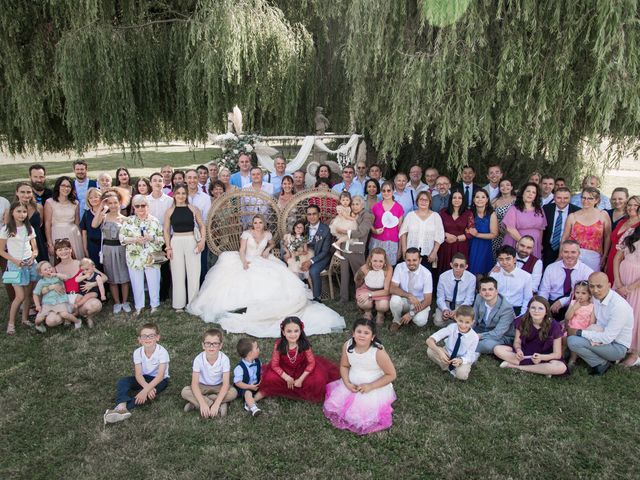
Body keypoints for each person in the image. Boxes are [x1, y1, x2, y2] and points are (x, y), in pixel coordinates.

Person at [188, 213, 345, 336]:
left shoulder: (268, 234)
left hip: (262, 259)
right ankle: (243, 305)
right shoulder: (246, 234)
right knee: (245, 279)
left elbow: (270, 243)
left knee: (276, 278)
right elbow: (242, 250)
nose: (257, 225)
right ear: (252, 224)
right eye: (255, 223)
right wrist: (243, 262)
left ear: (264, 224)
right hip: (246, 259)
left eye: (260, 223)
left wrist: (268, 249)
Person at [323, 318, 396, 435]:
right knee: (339, 404)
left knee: (362, 414)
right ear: (353, 333)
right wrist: (346, 382)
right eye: (359, 332)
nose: (362, 335)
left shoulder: (378, 351)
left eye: (366, 333)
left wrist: (370, 386)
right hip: (351, 382)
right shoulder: (347, 345)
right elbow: (344, 366)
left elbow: (391, 374)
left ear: (372, 337)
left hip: (374, 387)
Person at [258, 317, 340, 403]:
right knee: (270, 378)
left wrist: (301, 379)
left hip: (302, 369)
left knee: (317, 381)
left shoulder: (304, 344)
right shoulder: (279, 345)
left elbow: (311, 363)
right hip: (284, 368)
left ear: (300, 331)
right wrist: (286, 377)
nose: (293, 334)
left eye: (296, 331)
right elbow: (275, 365)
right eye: (289, 331)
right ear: (283, 332)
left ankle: (299, 389)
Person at [567, 272, 633, 375]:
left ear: (609, 285)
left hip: (616, 346)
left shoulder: (619, 306)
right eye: (592, 286)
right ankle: (602, 359)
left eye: (599, 286)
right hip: (599, 334)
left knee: (573, 341)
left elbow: (607, 338)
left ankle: (601, 364)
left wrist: (579, 332)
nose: (595, 290)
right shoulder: (597, 297)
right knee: (573, 339)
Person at [103, 323, 170, 424]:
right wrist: (146, 387)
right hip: (143, 378)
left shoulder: (162, 352)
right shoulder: (137, 352)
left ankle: (122, 410)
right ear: (139, 339)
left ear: (157, 337)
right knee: (123, 382)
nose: (147, 338)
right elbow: (138, 374)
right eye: (144, 336)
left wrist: (145, 391)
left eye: (151, 336)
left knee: (148, 395)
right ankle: (121, 405)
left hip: (160, 380)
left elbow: (160, 376)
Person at [494, 297, 567, 376]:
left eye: (540, 308)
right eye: (533, 308)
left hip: (544, 355)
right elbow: (517, 341)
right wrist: (518, 350)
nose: (536, 311)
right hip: (525, 353)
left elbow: (557, 354)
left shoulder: (554, 325)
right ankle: (541, 369)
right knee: (497, 349)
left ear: (546, 311)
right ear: (528, 309)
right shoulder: (522, 320)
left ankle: (515, 366)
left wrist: (541, 357)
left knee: (561, 367)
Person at [163, 184, 206, 312]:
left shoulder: (193, 209)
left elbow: (202, 226)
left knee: (194, 273)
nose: (181, 196)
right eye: (178, 193)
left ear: (186, 195)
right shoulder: (170, 211)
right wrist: (168, 247)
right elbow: (165, 230)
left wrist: (202, 241)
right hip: (176, 241)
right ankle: (178, 304)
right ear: (174, 195)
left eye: (183, 193)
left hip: (192, 240)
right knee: (177, 273)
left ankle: (193, 304)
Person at [119, 195, 165, 315]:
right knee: (136, 282)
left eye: (143, 205)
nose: (140, 208)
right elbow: (122, 238)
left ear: (147, 206)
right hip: (135, 257)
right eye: (137, 206)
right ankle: (139, 306)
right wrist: (135, 239)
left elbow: (162, 239)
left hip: (152, 255)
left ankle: (155, 305)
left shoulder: (154, 221)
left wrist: (151, 237)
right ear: (133, 207)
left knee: (153, 281)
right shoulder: (128, 221)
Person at [181, 328, 238, 418]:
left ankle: (195, 404)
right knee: (185, 392)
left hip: (219, 386)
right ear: (203, 345)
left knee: (233, 392)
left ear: (220, 345)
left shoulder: (224, 359)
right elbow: (194, 384)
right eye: (208, 343)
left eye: (215, 343)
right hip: (202, 386)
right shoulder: (198, 359)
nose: (211, 347)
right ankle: (216, 405)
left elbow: (226, 384)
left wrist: (216, 403)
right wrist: (203, 404)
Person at [0, 202, 38, 335]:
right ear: (12, 212)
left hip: (29, 264)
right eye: (18, 211)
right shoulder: (6, 229)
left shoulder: (29, 227)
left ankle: (25, 319)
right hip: (15, 265)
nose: (22, 214)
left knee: (28, 295)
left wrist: (33, 256)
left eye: (24, 212)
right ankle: (11, 323)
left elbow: (35, 248)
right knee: (20, 296)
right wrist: (15, 260)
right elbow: (1, 251)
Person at [92, 190, 131, 314]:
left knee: (124, 276)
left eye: (115, 202)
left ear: (120, 203)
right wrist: (100, 207)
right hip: (108, 249)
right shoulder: (104, 217)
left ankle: (125, 302)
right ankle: (117, 302)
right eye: (110, 203)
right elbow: (93, 225)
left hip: (121, 248)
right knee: (112, 277)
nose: (113, 205)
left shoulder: (125, 219)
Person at [53, 238, 105, 327]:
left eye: (66, 249)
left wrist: (93, 284)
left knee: (95, 305)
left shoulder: (81, 264)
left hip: (82, 297)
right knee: (53, 321)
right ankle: (71, 316)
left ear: (71, 250)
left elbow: (104, 277)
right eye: (60, 250)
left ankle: (87, 316)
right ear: (56, 253)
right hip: (66, 300)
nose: (63, 252)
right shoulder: (55, 269)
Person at [539, 240, 594, 320]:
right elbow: (544, 291)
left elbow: (587, 295)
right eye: (566, 252)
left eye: (573, 252)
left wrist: (563, 301)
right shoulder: (551, 268)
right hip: (552, 304)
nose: (569, 255)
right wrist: (543, 308)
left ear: (579, 254)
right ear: (561, 253)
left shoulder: (587, 271)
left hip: (577, 304)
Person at [561, 186, 611, 271]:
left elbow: (607, 237)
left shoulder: (603, 215)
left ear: (596, 200)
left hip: (594, 256)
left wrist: (605, 256)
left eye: (590, 198)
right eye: (583, 198)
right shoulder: (573, 216)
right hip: (574, 254)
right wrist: (560, 255)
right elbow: (565, 237)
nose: (586, 201)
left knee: (591, 280)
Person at [426, 305, 479, 380]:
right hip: (447, 353)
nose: (463, 325)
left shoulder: (474, 337)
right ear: (456, 318)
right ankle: (448, 367)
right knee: (430, 350)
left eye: (467, 322)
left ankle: (456, 367)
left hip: (461, 358)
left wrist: (461, 360)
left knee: (462, 375)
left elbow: (469, 355)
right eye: (460, 321)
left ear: (472, 322)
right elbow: (429, 340)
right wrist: (440, 352)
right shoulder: (452, 327)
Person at [613, 226, 640, 366]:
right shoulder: (631, 232)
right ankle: (617, 348)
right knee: (617, 313)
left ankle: (634, 353)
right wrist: (618, 283)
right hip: (622, 279)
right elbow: (617, 258)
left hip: (637, 286)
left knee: (636, 316)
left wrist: (630, 288)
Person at [338, 195, 374, 302]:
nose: (354, 206)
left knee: (359, 276)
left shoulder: (367, 216)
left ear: (362, 205)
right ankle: (343, 298)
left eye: (357, 204)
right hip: (345, 246)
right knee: (344, 274)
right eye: (353, 204)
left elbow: (362, 232)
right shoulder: (350, 213)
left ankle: (361, 297)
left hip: (356, 249)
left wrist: (344, 231)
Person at [389, 248, 433, 332]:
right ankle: (397, 320)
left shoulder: (426, 274)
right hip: (404, 299)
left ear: (420, 260)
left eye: (414, 260)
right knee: (394, 300)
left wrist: (411, 313)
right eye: (408, 260)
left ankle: (410, 318)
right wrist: (409, 295)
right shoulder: (399, 267)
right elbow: (392, 288)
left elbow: (428, 300)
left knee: (420, 321)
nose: (411, 263)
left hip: (419, 303)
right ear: (405, 259)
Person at [399, 191, 444, 273]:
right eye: (421, 199)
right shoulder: (410, 215)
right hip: (411, 256)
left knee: (426, 279)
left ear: (430, 202)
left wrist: (434, 252)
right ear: (417, 201)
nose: (423, 202)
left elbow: (439, 236)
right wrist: (404, 251)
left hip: (428, 256)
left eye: (426, 200)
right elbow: (403, 233)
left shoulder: (435, 216)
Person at [502, 182, 547, 258]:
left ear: (536, 196)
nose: (530, 194)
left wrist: (539, 243)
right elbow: (510, 228)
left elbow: (541, 229)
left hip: (534, 244)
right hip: (516, 242)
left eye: (533, 192)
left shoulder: (540, 210)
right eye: (528, 191)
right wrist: (524, 244)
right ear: (523, 193)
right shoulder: (514, 209)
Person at [32, 260, 79, 332]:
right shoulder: (41, 282)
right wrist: (37, 305)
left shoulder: (57, 277)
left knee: (64, 314)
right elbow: (35, 294)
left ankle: (77, 322)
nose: (49, 270)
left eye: (49, 267)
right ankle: (39, 326)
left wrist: (56, 274)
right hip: (47, 303)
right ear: (41, 273)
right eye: (45, 269)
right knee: (38, 320)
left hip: (60, 301)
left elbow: (66, 277)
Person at [148, 172, 174, 302]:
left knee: (165, 267)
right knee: (153, 266)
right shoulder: (146, 201)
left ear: (163, 183)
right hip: (151, 239)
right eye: (155, 180)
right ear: (150, 183)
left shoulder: (169, 200)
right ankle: (154, 293)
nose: (157, 183)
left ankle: (165, 293)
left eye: (160, 180)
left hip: (166, 237)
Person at [472, 276, 516, 354]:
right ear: (480, 292)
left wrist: (478, 336)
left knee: (487, 345)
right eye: (484, 290)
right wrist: (467, 331)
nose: (487, 292)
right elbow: (474, 319)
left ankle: (465, 346)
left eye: (490, 289)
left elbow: (498, 333)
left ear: (496, 291)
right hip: (482, 329)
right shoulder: (479, 298)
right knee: (460, 328)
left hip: (502, 336)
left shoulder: (506, 309)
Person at [44, 176, 83, 260]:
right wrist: (50, 243)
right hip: (57, 234)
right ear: (58, 187)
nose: (66, 188)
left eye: (68, 186)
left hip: (73, 235)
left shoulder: (75, 203)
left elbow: (77, 222)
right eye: (63, 185)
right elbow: (47, 223)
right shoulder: (50, 202)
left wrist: (82, 241)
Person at [541, 187, 580, 268]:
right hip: (549, 247)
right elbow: (542, 228)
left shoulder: (577, 211)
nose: (562, 200)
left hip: (568, 249)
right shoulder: (546, 209)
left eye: (566, 198)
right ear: (554, 197)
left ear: (570, 198)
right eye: (559, 198)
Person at [301, 205, 334, 302]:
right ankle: (300, 295)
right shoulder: (304, 227)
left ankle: (317, 297)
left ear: (319, 215)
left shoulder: (326, 229)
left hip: (321, 256)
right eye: (309, 214)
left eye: (314, 214)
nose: (312, 216)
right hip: (305, 255)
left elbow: (325, 251)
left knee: (313, 270)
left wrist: (311, 261)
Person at [434, 253, 476, 327]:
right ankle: (454, 321)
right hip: (447, 302)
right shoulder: (443, 276)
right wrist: (444, 309)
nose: (458, 268)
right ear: (451, 265)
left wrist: (458, 310)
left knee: (469, 324)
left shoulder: (471, 278)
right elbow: (440, 297)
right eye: (456, 265)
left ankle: (454, 321)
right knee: (438, 322)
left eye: (461, 266)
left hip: (462, 305)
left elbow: (469, 299)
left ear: (466, 266)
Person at [437, 190, 474, 274]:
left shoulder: (468, 213)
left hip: (461, 246)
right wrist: (445, 235)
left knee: (459, 268)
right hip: (446, 245)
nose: (457, 200)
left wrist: (457, 238)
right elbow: (437, 228)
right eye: (454, 197)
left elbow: (471, 231)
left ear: (463, 200)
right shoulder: (443, 212)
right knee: (445, 270)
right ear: (451, 199)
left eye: (459, 198)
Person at [490, 245, 533, 316]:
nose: (504, 262)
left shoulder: (526, 276)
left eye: (508, 259)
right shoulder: (494, 274)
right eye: (501, 259)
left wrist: (521, 316)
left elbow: (527, 299)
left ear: (514, 259)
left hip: (516, 309)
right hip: (498, 309)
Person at [606, 195, 640, 283]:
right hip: (611, 260)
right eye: (629, 205)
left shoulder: (638, 227)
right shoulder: (622, 221)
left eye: (636, 205)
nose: (632, 207)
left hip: (623, 263)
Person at [10, 182, 47, 263]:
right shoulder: (10, 210)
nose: (26, 195)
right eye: (22, 192)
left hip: (38, 243)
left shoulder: (39, 208)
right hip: (20, 246)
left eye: (29, 192)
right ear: (17, 192)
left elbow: (41, 224)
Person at [369, 181, 404, 267]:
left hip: (392, 243)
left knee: (389, 268)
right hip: (377, 241)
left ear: (393, 191)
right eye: (383, 191)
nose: (386, 193)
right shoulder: (376, 206)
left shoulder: (399, 208)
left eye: (389, 190)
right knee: (375, 267)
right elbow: (369, 223)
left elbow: (401, 230)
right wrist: (375, 231)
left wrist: (400, 249)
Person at [354, 248, 392, 325]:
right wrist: (362, 293)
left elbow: (386, 290)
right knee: (363, 302)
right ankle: (367, 312)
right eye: (375, 260)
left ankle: (380, 314)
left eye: (381, 261)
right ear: (370, 260)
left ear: (385, 261)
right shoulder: (365, 268)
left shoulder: (388, 269)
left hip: (382, 291)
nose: (377, 264)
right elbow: (357, 281)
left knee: (383, 305)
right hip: (367, 288)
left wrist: (369, 294)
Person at [186, 169, 211, 284]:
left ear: (198, 179)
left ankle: (201, 291)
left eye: (194, 178)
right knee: (186, 266)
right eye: (189, 178)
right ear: (186, 179)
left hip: (200, 236)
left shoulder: (205, 198)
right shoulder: (180, 196)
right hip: (183, 235)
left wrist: (202, 239)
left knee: (201, 266)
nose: (192, 180)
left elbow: (206, 220)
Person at [564, 281, 595, 370]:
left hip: (582, 332)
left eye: (583, 293)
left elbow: (592, 323)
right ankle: (561, 356)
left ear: (589, 295)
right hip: (570, 328)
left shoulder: (592, 306)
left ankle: (572, 359)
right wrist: (574, 308)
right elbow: (567, 317)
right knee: (563, 339)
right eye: (577, 292)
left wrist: (586, 333)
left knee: (574, 340)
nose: (579, 295)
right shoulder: (573, 303)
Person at [468, 189, 498, 275]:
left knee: (482, 273)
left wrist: (477, 234)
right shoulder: (469, 213)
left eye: (483, 197)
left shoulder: (491, 214)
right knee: (471, 271)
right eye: (477, 197)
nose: (480, 199)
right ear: (473, 199)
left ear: (487, 200)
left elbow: (494, 234)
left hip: (484, 246)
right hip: (471, 246)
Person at [233, 338, 264, 417]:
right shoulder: (239, 368)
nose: (259, 349)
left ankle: (249, 403)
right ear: (250, 353)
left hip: (256, 385)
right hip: (244, 387)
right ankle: (254, 408)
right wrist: (250, 387)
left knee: (265, 390)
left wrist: (262, 379)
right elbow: (238, 383)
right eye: (257, 348)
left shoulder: (257, 361)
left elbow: (260, 372)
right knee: (248, 393)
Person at [491, 178, 516, 258]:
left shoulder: (517, 200)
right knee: (497, 256)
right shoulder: (495, 201)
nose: (505, 187)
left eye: (508, 185)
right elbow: (490, 216)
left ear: (512, 187)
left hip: (512, 233)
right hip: (497, 234)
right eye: (502, 185)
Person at [79, 188, 103, 269]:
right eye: (91, 198)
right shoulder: (86, 214)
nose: (93, 199)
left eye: (96, 197)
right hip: (92, 246)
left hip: (105, 245)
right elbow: (84, 233)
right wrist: (85, 249)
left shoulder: (106, 212)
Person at [330, 192, 358, 258]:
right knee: (349, 235)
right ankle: (337, 243)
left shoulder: (349, 207)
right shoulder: (340, 207)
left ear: (350, 200)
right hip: (341, 223)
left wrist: (353, 215)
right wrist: (354, 219)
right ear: (340, 201)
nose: (345, 202)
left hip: (347, 222)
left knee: (347, 237)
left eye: (347, 200)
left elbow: (350, 214)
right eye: (343, 200)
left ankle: (338, 251)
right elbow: (346, 216)